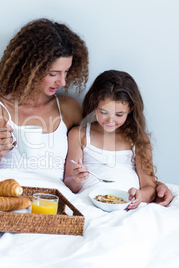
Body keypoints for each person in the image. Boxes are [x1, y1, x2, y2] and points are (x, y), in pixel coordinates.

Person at [0, 18, 88, 181]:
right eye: (53, 74)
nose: (62, 82)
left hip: (52, 202)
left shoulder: (69, 109)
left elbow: (90, 162)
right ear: (31, 67)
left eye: (66, 72)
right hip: (7, 201)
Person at [64, 70, 172, 208]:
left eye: (119, 114)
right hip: (89, 201)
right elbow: (70, 184)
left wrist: (140, 196)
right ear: (94, 105)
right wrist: (76, 179)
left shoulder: (138, 139)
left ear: (131, 110)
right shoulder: (79, 135)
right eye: (103, 112)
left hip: (127, 203)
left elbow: (149, 187)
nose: (110, 120)